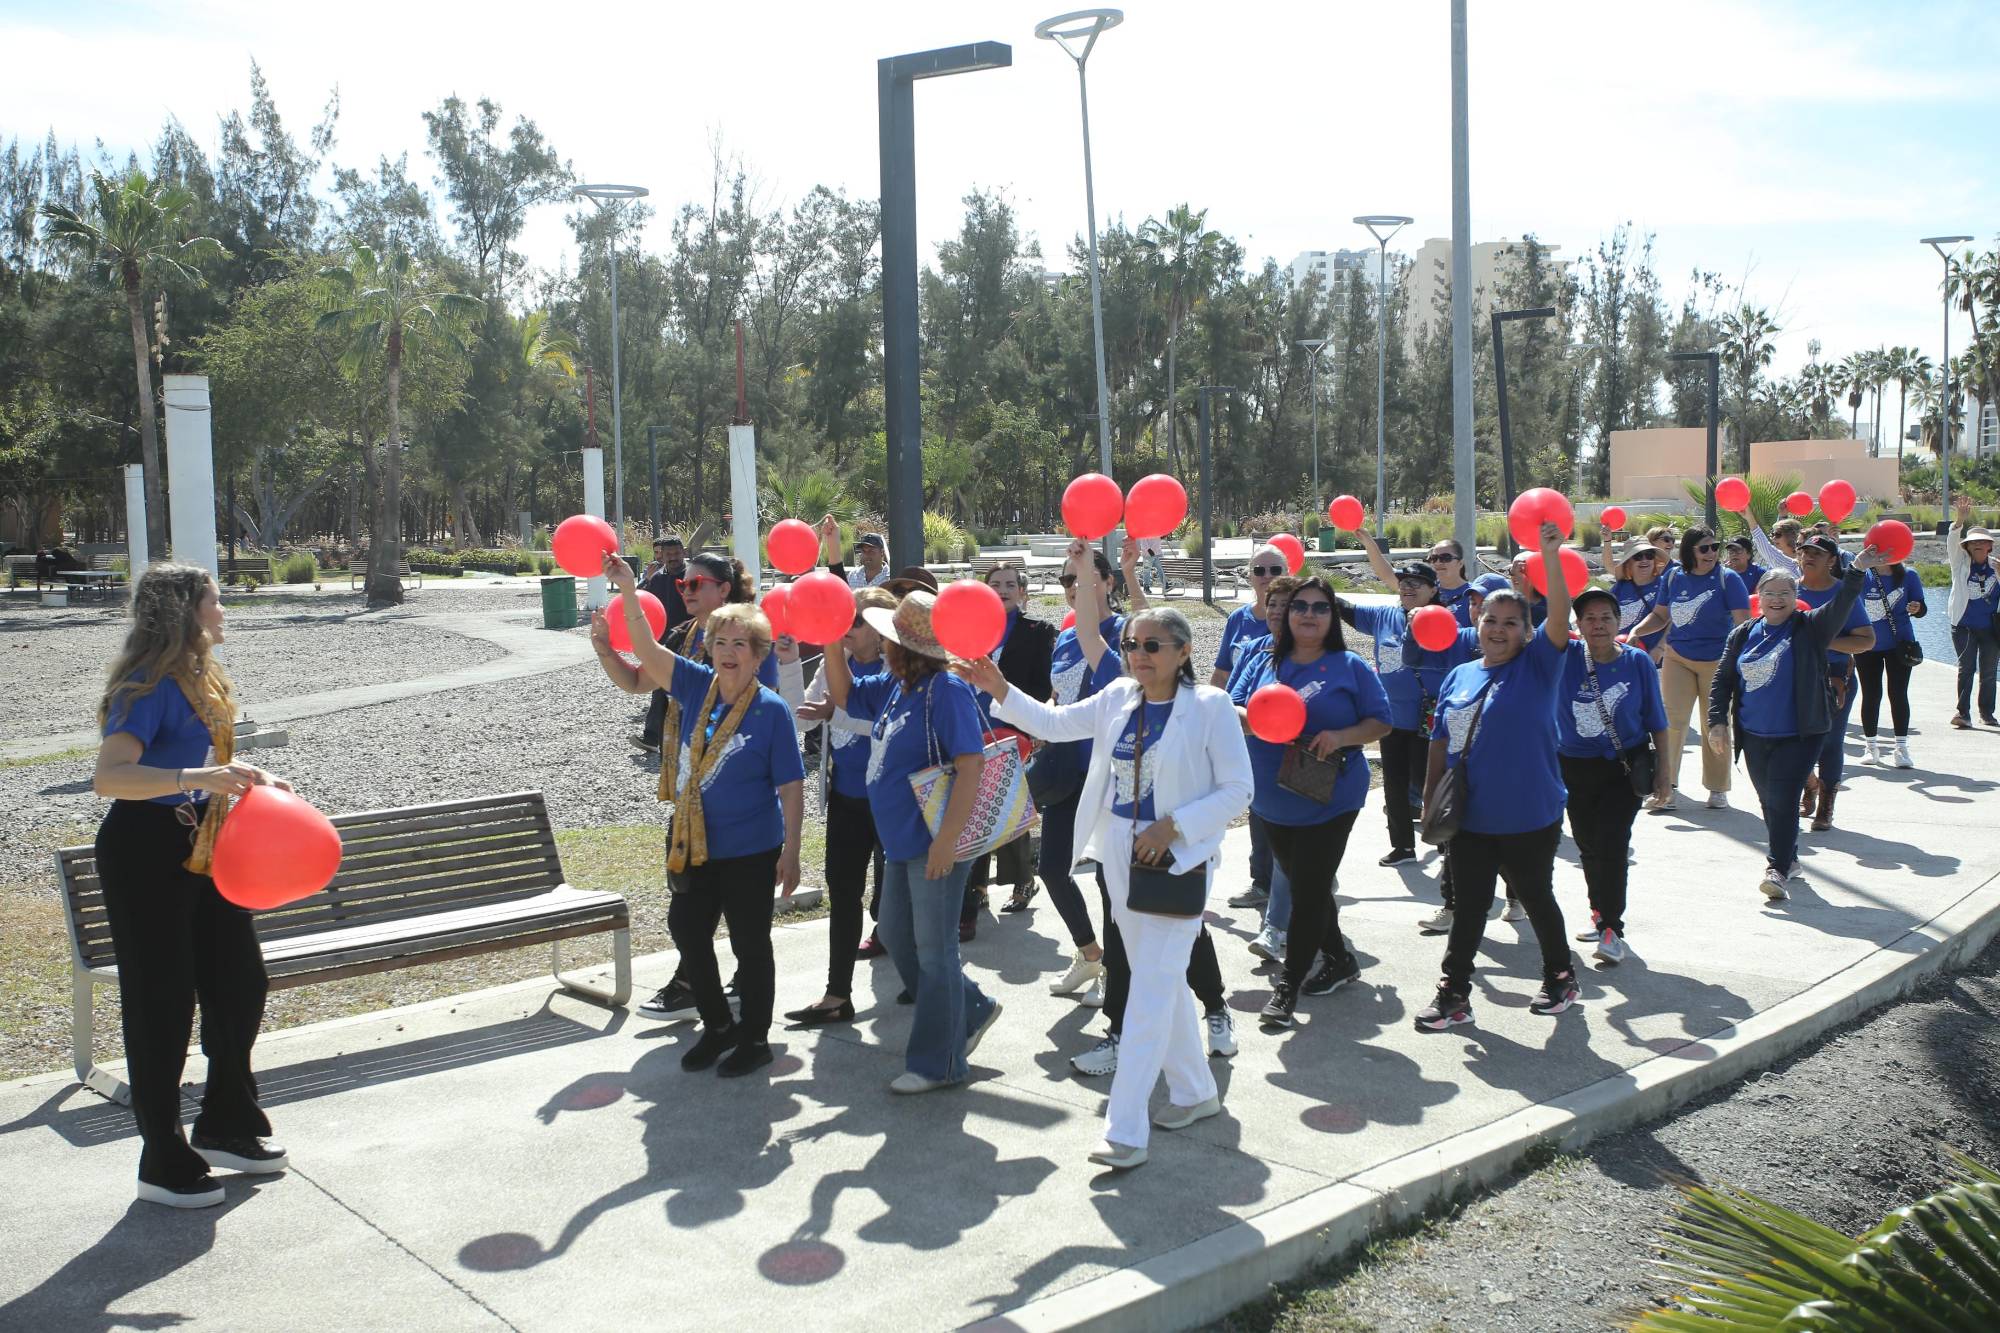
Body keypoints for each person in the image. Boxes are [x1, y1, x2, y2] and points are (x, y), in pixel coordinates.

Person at [959, 607, 1252, 1170]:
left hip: (1177, 857)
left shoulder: (1211, 706)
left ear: (1184, 652)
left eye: (1154, 645)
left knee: (1147, 989)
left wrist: (1175, 826)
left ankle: (1125, 1128)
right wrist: (999, 689)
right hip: (1118, 850)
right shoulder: (1117, 696)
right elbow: (1053, 723)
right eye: (1132, 644)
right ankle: (1195, 1090)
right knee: (1155, 978)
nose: (1140, 654)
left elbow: (1239, 788)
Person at [92, 564, 295, 1209]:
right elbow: (111, 777)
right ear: (187, 612)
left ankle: (226, 1124)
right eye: (215, 599)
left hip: (204, 846)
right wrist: (195, 780)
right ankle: (162, 1159)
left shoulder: (201, 678)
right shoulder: (146, 686)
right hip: (145, 852)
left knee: (240, 982)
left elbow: (200, 761)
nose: (224, 608)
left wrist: (246, 774)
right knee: (163, 1004)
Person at [600, 555, 803, 1078]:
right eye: (721, 643)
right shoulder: (693, 684)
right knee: (687, 930)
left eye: (741, 645)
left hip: (752, 848)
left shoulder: (772, 710)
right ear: (709, 649)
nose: (728, 653)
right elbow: (646, 652)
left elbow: (791, 786)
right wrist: (628, 591)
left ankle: (754, 1039)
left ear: (758, 655)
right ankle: (718, 1026)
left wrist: (793, 853)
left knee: (749, 945)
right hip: (695, 842)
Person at [823, 592, 1001, 1093]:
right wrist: (831, 639)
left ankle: (938, 1064)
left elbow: (971, 763)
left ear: (907, 646)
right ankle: (972, 1007)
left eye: (888, 638)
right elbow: (844, 695)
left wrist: (947, 841)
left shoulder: (946, 689)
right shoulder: (898, 684)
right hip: (902, 842)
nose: (881, 643)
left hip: (932, 843)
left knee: (935, 951)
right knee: (898, 936)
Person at [1414, 522, 1581, 1033]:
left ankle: (1560, 978)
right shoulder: (1460, 675)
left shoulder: (1540, 665)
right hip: (1471, 816)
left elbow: (1559, 614)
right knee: (1469, 906)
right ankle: (1453, 993)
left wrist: (1549, 556)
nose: (1500, 629)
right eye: (1492, 619)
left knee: (1536, 897)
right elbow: (1439, 742)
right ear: (1477, 621)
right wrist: (1429, 800)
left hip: (1530, 813)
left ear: (1527, 631)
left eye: (1512, 622)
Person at [1236, 573, 1393, 1029]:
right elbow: (1233, 707)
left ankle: (1288, 988)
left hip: (1331, 798)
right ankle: (1340, 959)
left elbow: (1381, 722)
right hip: (1271, 798)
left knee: (1306, 892)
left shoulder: (1349, 666)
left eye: (1320, 607)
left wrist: (1341, 736)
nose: (1309, 614)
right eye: (1300, 606)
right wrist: (1261, 720)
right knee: (1312, 885)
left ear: (1332, 616)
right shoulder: (1263, 660)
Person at [1708, 552, 1884, 899]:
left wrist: (1857, 570)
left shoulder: (1810, 628)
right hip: (1754, 734)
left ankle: (1776, 867)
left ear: (1795, 597)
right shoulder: (1741, 635)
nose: (1777, 599)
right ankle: (1790, 857)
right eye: (1770, 593)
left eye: (1785, 593)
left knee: (1784, 798)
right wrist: (1716, 722)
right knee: (1767, 800)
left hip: (1800, 734)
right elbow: (1722, 681)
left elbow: (1842, 603)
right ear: (1759, 597)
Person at [787, 586, 896, 1026]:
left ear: (883, 630)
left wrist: (834, 714)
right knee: (844, 894)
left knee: (901, 902)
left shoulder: (899, 668)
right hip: (847, 799)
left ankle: (926, 981)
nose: (845, 627)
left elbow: (887, 724)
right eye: (843, 618)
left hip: (894, 800)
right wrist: (789, 663)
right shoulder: (837, 662)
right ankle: (837, 995)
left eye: (856, 620)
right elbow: (800, 716)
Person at [1558, 588, 1670, 965]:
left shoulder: (1637, 662)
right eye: (1589, 618)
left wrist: (1665, 774)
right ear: (1578, 625)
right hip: (1574, 765)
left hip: (1624, 766)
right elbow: (1542, 625)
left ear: (1619, 622)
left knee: (1613, 843)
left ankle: (1611, 927)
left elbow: (1657, 721)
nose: (1598, 625)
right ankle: (1599, 911)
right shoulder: (1565, 657)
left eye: (1606, 617)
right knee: (1588, 845)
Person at [1036, 545, 1126, 1003]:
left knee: (1110, 880)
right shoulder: (1067, 638)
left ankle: (1116, 970)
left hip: (1109, 775)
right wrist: (1047, 713)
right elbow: (1060, 694)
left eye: (1085, 577)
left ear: (1108, 582)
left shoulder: (1126, 633)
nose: (1076, 587)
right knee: (1052, 869)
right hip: (1065, 770)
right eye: (1068, 580)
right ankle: (1091, 953)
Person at [1625, 526, 1751, 811]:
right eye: (1704, 548)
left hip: (1717, 661)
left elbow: (1743, 624)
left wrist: (1737, 664)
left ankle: (1717, 788)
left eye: (1715, 547)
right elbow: (1660, 616)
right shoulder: (1673, 577)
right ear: (1689, 551)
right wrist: (1637, 631)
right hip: (1678, 658)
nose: (1711, 553)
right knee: (1671, 722)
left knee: (1714, 724)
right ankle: (1666, 788)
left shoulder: (1728, 579)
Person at [969, 561, 1057, 916]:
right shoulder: (970, 629)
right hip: (971, 728)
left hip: (1013, 730)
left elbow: (1043, 685)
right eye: (995, 584)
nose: (1002, 590)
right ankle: (976, 886)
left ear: (1022, 592)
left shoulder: (1038, 630)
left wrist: (1030, 725)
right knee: (973, 807)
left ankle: (1023, 879)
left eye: (1010, 585)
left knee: (1008, 806)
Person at [632, 551, 782, 754]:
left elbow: (766, 714)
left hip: (738, 759)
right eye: (682, 585)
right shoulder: (680, 637)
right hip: (682, 762)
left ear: (724, 589)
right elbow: (637, 681)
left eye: (695, 584)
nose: (686, 591)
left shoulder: (755, 639)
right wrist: (605, 650)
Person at [1350, 532, 1440, 867]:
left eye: (1416, 583)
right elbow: (1342, 608)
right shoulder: (1383, 617)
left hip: (1429, 720)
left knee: (1431, 785)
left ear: (1433, 590)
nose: (1407, 587)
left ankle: (1447, 843)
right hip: (1391, 719)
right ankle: (1402, 847)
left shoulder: (1445, 621)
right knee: (1395, 786)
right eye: (1403, 582)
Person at [1228, 576, 1299, 960]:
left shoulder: (1317, 657)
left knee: (1287, 848)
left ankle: (1275, 928)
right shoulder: (1256, 652)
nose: (1276, 612)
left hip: (1302, 771)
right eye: (1272, 604)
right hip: (1258, 765)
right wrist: (1262, 722)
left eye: (1286, 605)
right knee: (1267, 836)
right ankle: (1272, 888)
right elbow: (1233, 702)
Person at [1792, 535, 1878, 831]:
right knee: (1790, 739)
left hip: (1834, 677)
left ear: (1831, 560)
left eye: (1817, 553)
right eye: (1805, 551)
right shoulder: (1787, 589)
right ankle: (1809, 784)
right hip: (1792, 676)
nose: (1808, 557)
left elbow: (1866, 640)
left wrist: (1824, 640)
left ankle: (1826, 805)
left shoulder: (1842, 593)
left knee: (1829, 742)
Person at [1855, 553, 1926, 767]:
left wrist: (1917, 607)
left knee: (1898, 694)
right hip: (1867, 643)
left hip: (1900, 643)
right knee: (1871, 694)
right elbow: (1848, 605)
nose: (1885, 556)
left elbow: (1922, 609)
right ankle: (1871, 746)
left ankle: (1901, 748)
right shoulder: (1862, 575)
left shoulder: (1909, 575)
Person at [1947, 496, 1999, 729]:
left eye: (1982, 542)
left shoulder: (1997, 566)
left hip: (1991, 628)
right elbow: (1952, 541)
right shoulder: (1960, 563)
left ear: (1989, 547)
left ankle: (1987, 713)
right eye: (1973, 542)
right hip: (1963, 626)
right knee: (1966, 668)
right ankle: (1962, 713)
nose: (1978, 545)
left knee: (1989, 671)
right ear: (1967, 547)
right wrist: (1959, 521)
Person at [1610, 539, 1668, 662]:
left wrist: (1660, 648)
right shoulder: (1620, 587)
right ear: (1628, 562)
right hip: (1622, 658)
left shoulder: (1666, 584)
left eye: (1649, 555)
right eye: (1638, 556)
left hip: (1655, 659)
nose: (1644, 560)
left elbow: (1675, 621)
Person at [639, 535, 693, 632]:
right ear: (662, 555)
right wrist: (647, 580)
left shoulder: (693, 576)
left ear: (684, 552)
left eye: (677, 553)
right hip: (663, 635)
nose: (673, 557)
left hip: (689, 633)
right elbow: (642, 601)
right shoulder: (656, 579)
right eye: (668, 554)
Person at [1427, 537, 1477, 626]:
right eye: (1434, 558)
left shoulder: (1474, 594)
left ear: (1460, 563)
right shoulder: (1426, 592)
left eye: (1445, 558)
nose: (1438, 562)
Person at [1748, 515, 1806, 581]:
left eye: (1777, 535)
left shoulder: (1800, 567)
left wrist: (1749, 517)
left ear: (1791, 536)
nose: (1773, 538)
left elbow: (1765, 546)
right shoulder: (1773, 562)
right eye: (1772, 534)